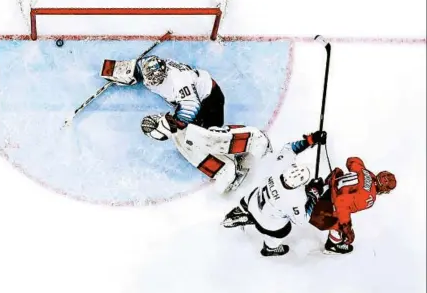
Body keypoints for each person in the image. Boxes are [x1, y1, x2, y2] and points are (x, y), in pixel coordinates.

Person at [136, 56, 272, 193]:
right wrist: (117, 74)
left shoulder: (178, 80)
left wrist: (175, 123)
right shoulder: (149, 68)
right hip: (191, 102)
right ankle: (225, 168)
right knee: (184, 141)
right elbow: (134, 68)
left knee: (204, 137)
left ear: (164, 72)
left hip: (210, 99)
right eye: (150, 77)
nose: (152, 81)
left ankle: (254, 139)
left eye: (156, 77)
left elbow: (191, 106)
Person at [222, 131, 327, 256]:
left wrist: (310, 140)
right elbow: (302, 220)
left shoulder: (280, 167)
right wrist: (314, 194)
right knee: (284, 230)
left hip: (252, 202)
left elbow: (290, 148)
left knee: (255, 195)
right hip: (267, 224)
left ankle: (241, 210)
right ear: (299, 185)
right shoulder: (296, 199)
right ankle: (270, 248)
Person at [305, 157, 397, 254]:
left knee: (342, 214)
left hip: (325, 186)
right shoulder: (369, 197)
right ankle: (333, 245)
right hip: (321, 206)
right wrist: (347, 228)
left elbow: (352, 160)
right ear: (385, 190)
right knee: (341, 220)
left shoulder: (365, 172)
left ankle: (315, 193)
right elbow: (341, 203)